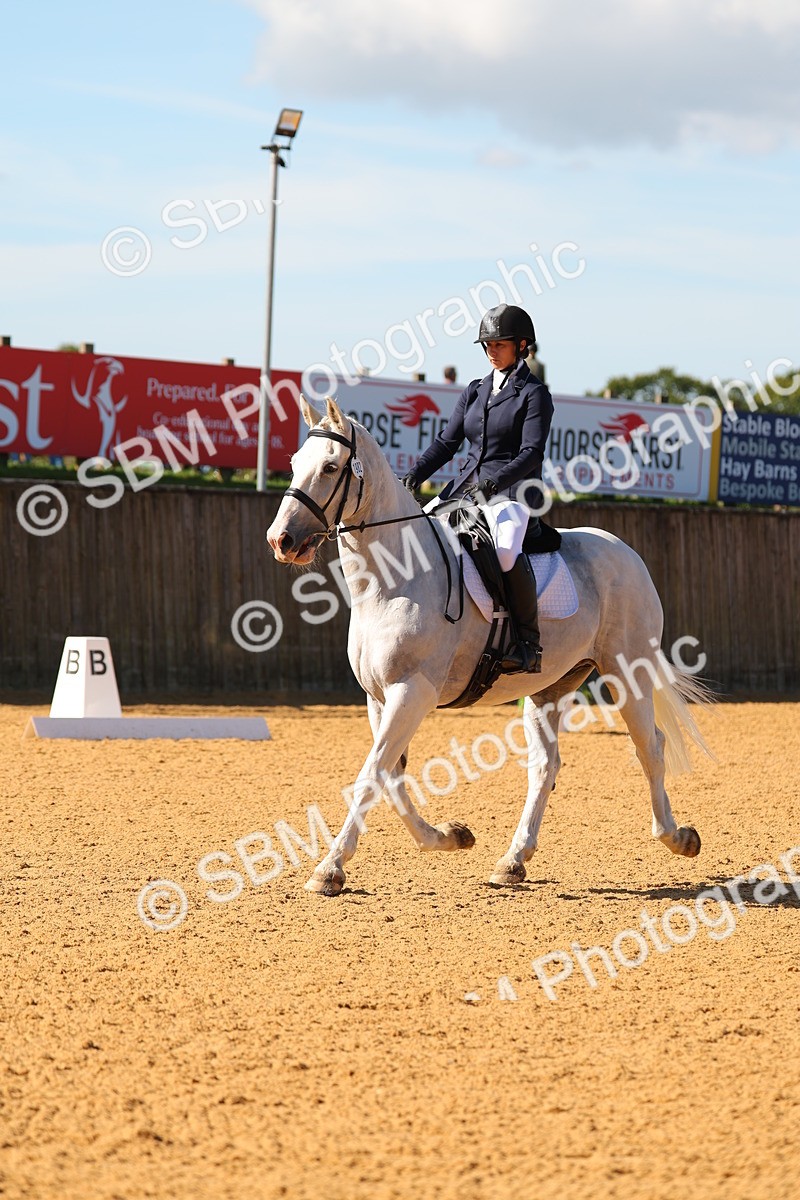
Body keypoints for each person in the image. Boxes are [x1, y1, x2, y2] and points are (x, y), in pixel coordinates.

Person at [400, 303, 553, 673]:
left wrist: (494, 483)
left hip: (512, 492)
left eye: (498, 344)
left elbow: (532, 453)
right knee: (418, 534)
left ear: (521, 345)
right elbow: (447, 442)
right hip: (464, 489)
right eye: (486, 344)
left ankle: (528, 643)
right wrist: (413, 474)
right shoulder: (475, 390)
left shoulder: (534, 393)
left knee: (503, 550)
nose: (491, 351)